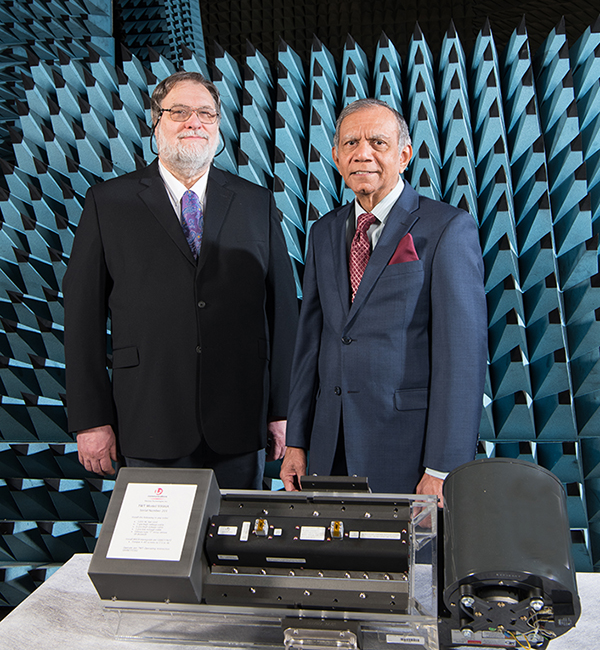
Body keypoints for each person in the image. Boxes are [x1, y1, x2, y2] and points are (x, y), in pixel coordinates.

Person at [63, 71, 298, 489]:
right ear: (156, 123)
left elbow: (283, 314)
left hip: (240, 421)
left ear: (219, 125)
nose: (194, 122)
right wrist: (91, 419)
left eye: (206, 113)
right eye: (180, 112)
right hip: (148, 417)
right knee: (156, 554)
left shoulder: (255, 201)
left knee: (235, 548)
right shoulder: (108, 203)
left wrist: (284, 410)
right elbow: (82, 318)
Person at [280, 98, 487, 505]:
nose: (363, 153)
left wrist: (442, 467)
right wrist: (297, 441)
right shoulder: (324, 231)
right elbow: (310, 345)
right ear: (337, 157)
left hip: (407, 451)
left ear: (404, 154)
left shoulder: (447, 228)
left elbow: (462, 356)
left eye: (378, 142)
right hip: (328, 446)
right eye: (351, 143)